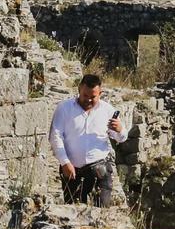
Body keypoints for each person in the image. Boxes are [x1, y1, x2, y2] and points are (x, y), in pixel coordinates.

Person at [48, 73, 127, 206]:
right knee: (73, 212)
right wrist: (64, 162)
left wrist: (120, 130)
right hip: (72, 171)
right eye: (85, 95)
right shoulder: (64, 108)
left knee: (102, 212)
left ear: (100, 93)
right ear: (79, 90)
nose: (88, 100)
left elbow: (122, 138)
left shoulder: (107, 110)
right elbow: (55, 136)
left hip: (100, 170)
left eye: (93, 97)